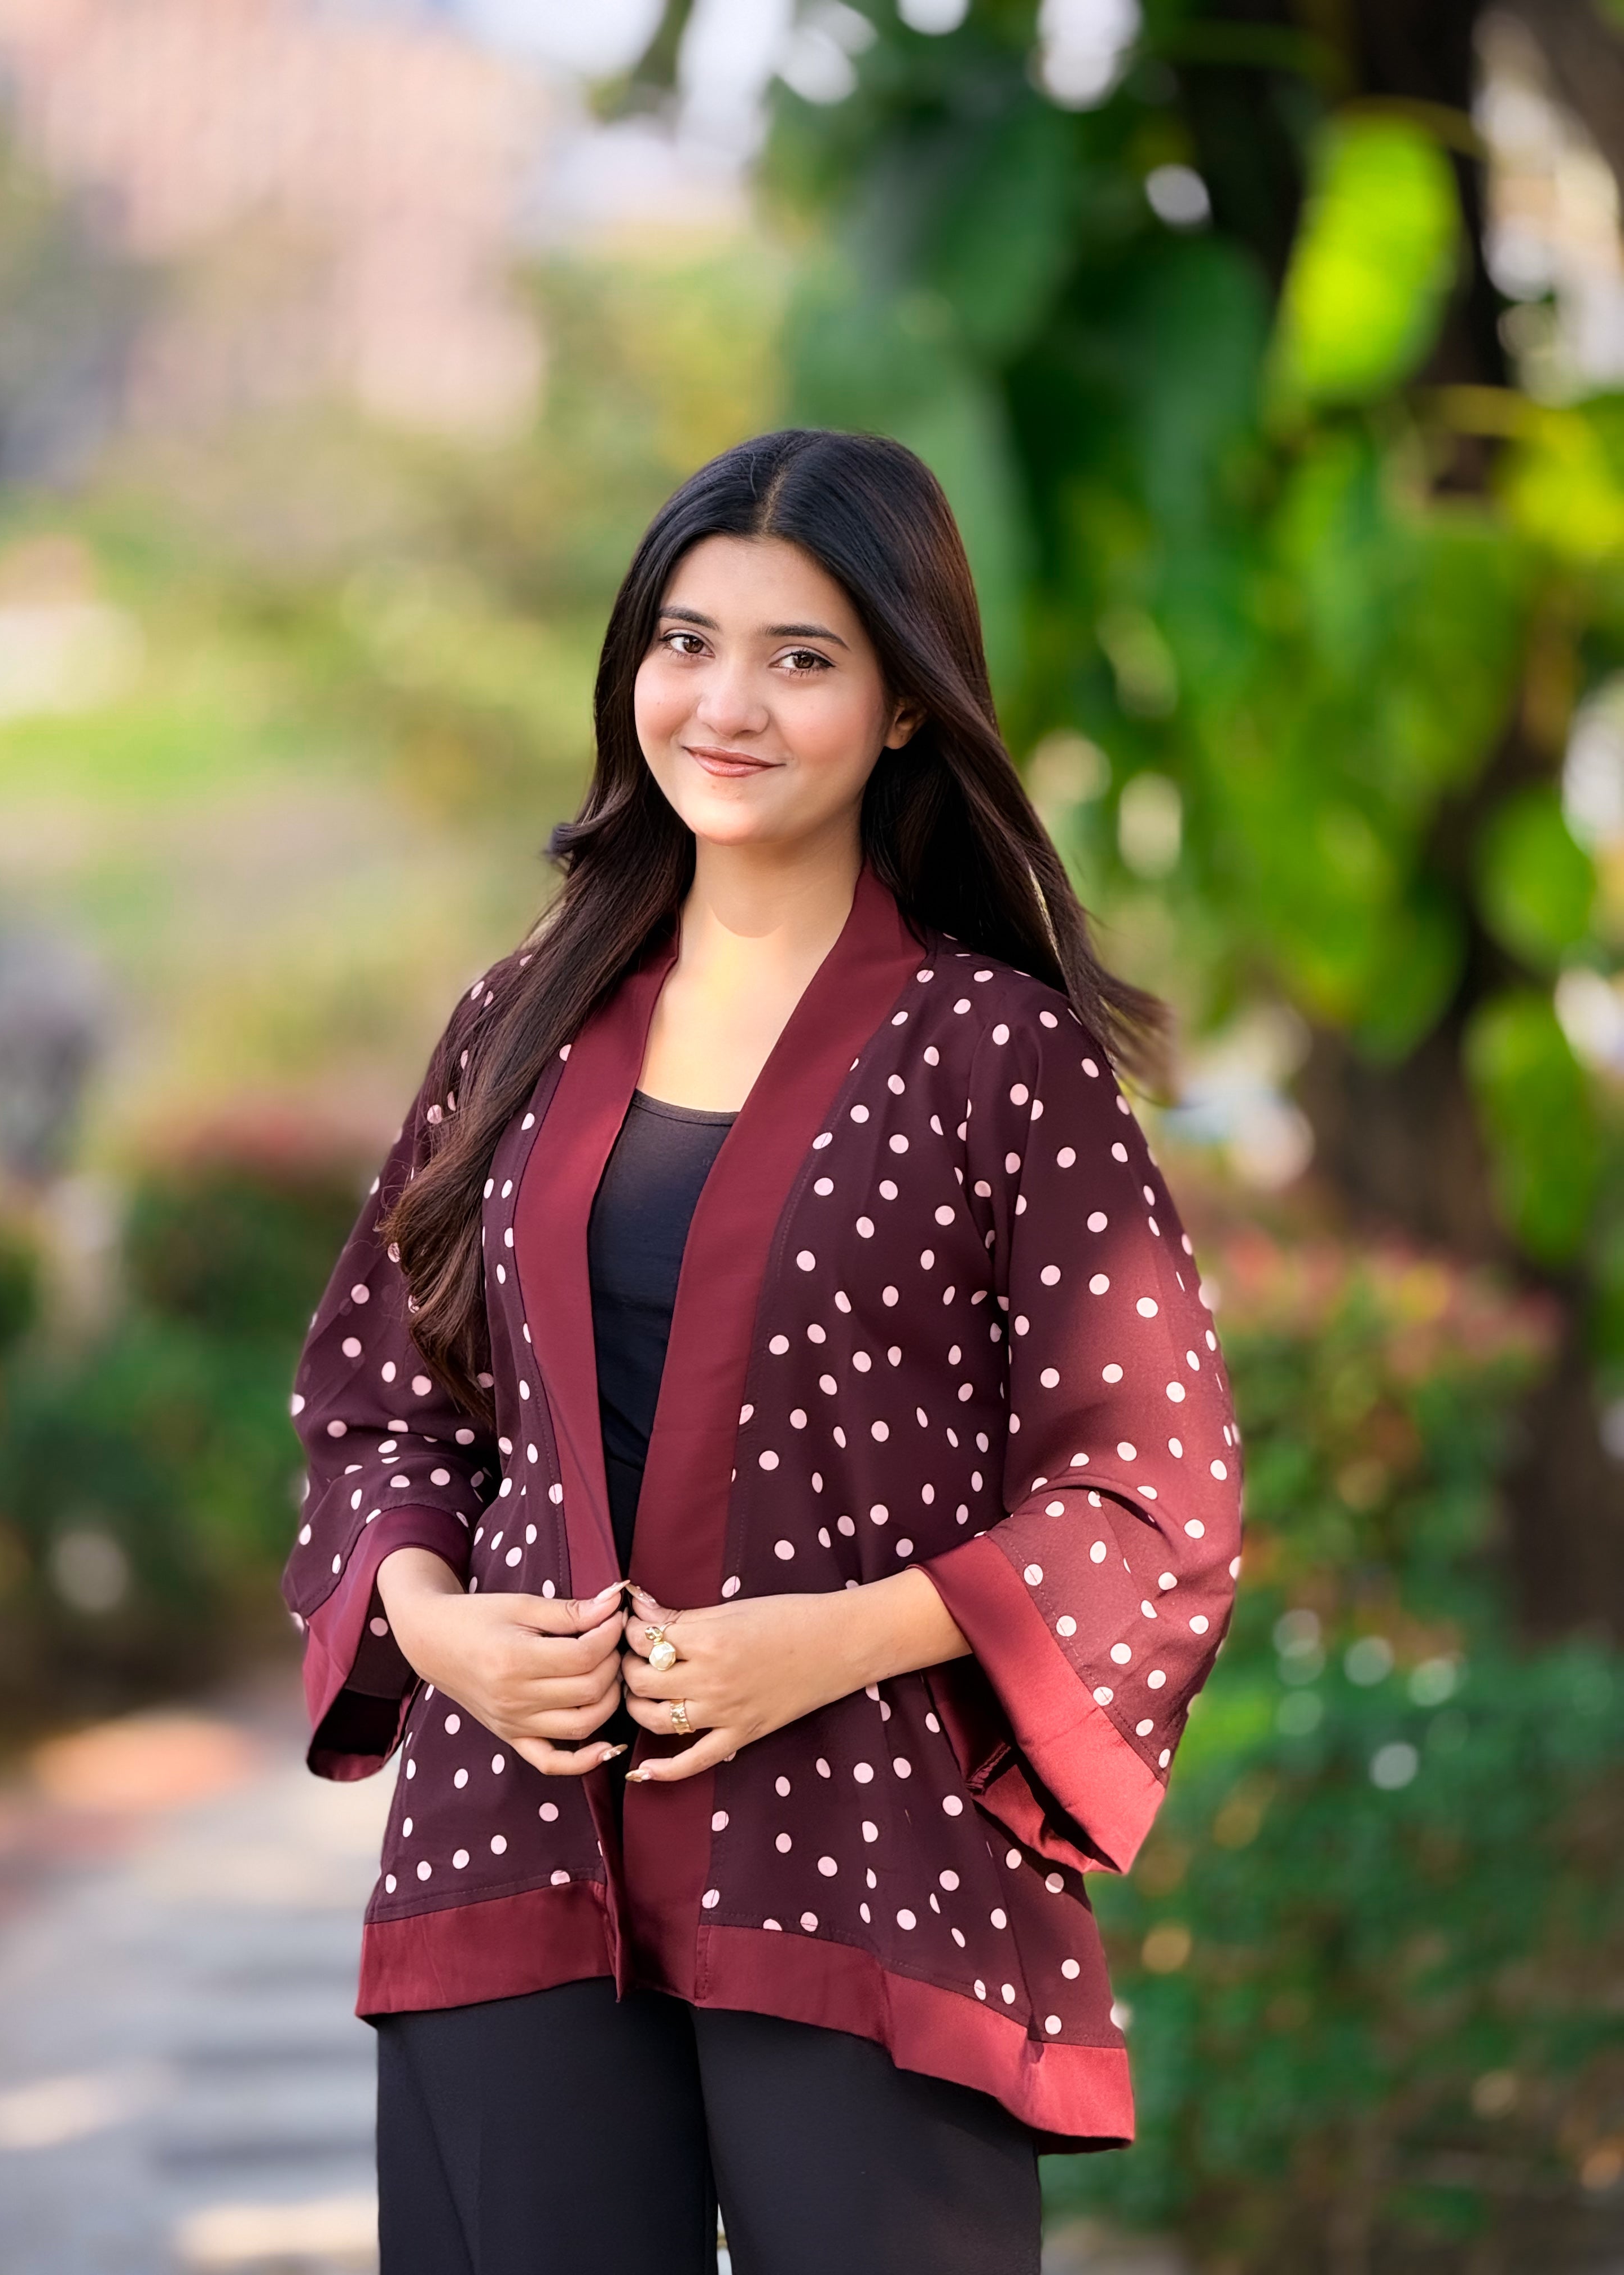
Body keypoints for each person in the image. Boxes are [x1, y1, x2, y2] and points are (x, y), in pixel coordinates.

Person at [283, 428, 1241, 2275]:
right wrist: (436, 1620)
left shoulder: (998, 1059)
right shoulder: (524, 1017)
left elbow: (1149, 1491)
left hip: (865, 1854)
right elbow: (384, 1402)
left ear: (903, 706)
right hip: (516, 1856)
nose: (725, 702)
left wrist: (843, 1635)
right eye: (686, 639)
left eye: (801, 657)